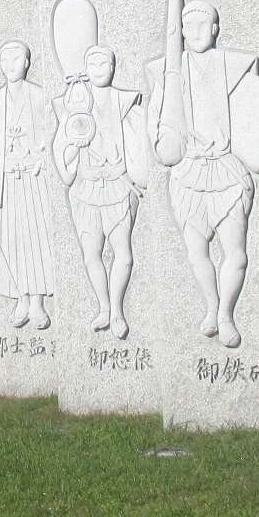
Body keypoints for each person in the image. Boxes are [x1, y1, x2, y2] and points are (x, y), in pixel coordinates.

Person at [147, 1, 259, 349]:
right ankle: (210, 306)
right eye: (187, 27)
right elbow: (157, 121)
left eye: (202, 25)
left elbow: (258, 107)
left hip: (225, 167)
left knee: (235, 249)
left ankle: (226, 314)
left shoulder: (233, 65)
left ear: (215, 28)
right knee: (196, 250)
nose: (195, 32)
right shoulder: (168, 73)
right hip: (189, 171)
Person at [54, 44, 150, 335]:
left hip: (118, 186)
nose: (99, 69)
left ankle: (118, 310)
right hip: (85, 187)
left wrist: (135, 173)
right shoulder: (75, 105)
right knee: (91, 252)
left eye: (105, 64)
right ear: (86, 69)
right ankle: (104, 307)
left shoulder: (124, 102)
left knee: (124, 251)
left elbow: (137, 143)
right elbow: (61, 148)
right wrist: (72, 146)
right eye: (93, 64)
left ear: (113, 67)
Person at [0, 39, 59, 329]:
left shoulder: (41, 97)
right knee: (11, 239)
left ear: (28, 63)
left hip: (32, 180)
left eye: (16, 59)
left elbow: (54, 134)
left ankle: (38, 302)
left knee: (36, 238)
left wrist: (45, 158)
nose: (10, 66)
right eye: (4, 60)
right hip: (4, 183)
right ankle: (20, 297)